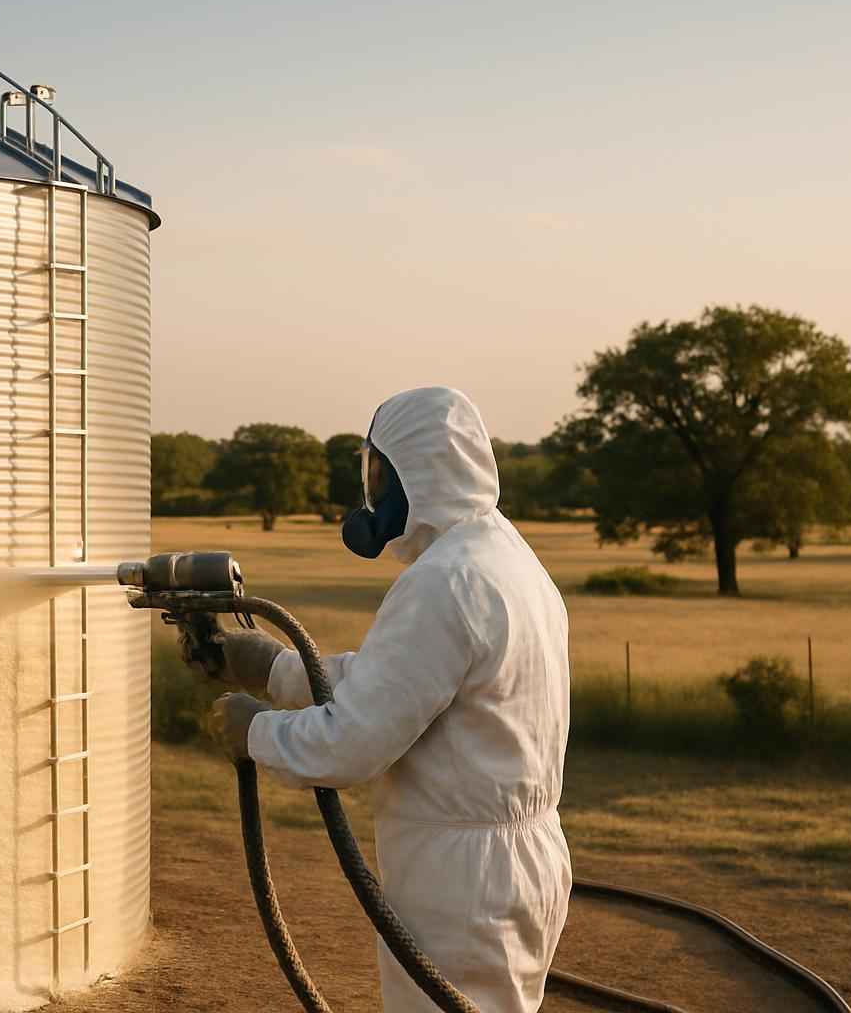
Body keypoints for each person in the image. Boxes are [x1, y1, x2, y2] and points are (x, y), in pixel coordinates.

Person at [190, 386, 572, 1013]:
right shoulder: (503, 559)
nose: (368, 490)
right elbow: (403, 684)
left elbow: (352, 743)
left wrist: (252, 731)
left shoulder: (445, 583)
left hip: (462, 882)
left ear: (411, 473)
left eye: (375, 470)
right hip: (515, 860)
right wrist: (275, 669)